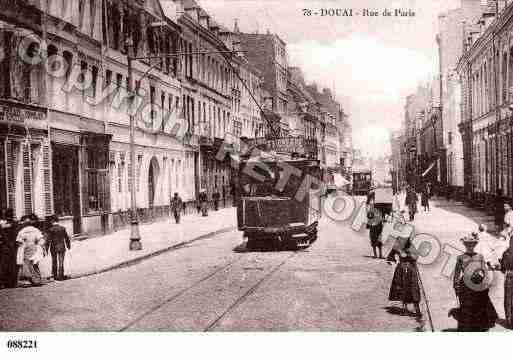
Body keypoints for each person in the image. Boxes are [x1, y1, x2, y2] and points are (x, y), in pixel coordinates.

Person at [452, 234, 498, 331]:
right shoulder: (461, 258)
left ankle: (479, 327)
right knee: (467, 307)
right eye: (468, 245)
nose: (470, 247)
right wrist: (456, 286)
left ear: (474, 245)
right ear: (465, 245)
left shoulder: (479, 256)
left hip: (478, 285)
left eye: (472, 245)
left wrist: (485, 282)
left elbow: (484, 271)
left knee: (480, 306)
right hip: (466, 286)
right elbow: (456, 274)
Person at [387, 236, 422, 319]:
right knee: (403, 288)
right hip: (401, 270)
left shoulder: (411, 246)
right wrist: (393, 260)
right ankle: (405, 309)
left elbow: (416, 256)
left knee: (414, 288)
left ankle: (417, 309)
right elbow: (389, 257)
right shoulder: (397, 246)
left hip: (411, 270)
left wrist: (408, 255)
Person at [16, 214, 45, 287]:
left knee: (26, 263)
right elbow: (41, 240)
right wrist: (40, 247)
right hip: (34, 247)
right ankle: (37, 279)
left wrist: (21, 247)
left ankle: (28, 280)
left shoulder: (22, 231)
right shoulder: (35, 230)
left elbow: (19, 241)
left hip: (25, 247)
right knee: (34, 263)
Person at [45, 215, 71, 281]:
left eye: (51, 221)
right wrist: (68, 246)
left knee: (54, 261)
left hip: (53, 247)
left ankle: (55, 275)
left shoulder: (51, 229)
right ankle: (61, 276)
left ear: (52, 221)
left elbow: (48, 240)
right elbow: (67, 238)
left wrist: (46, 249)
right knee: (61, 261)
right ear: (57, 221)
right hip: (62, 247)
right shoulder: (63, 228)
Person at [500, 236, 513, 329]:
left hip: (509, 277)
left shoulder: (506, 253)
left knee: (508, 299)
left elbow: (503, 269)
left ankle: (509, 322)